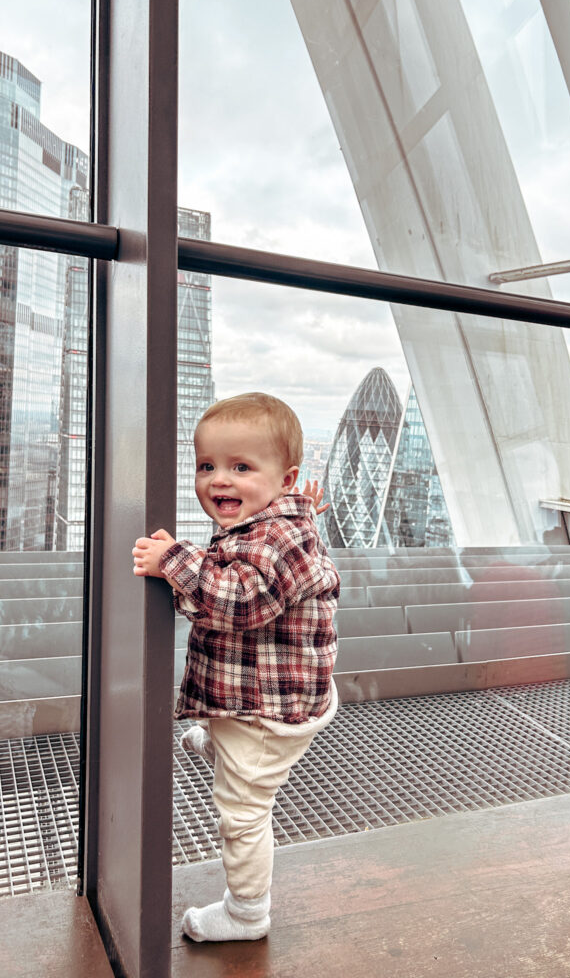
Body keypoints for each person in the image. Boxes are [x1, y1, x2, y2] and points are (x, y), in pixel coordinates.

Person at [131, 392, 340, 943]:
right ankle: (225, 743)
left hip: (270, 711)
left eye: (241, 467)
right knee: (236, 762)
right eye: (207, 466)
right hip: (266, 689)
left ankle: (248, 915)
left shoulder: (277, 537)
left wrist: (172, 560)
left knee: (242, 811)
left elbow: (243, 600)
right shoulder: (274, 518)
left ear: (285, 477)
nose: (219, 480)